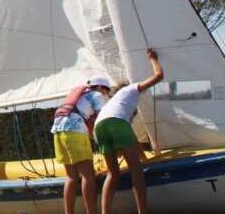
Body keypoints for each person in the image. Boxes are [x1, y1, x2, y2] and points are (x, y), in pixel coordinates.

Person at [95, 49, 164, 214]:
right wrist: (154, 59)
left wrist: (143, 156)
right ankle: (143, 211)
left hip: (99, 127)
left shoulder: (113, 105)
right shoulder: (131, 90)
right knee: (136, 170)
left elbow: (131, 140)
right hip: (115, 125)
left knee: (113, 173)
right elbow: (159, 76)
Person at [50, 75, 112, 214]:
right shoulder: (96, 94)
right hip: (75, 130)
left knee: (71, 176)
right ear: (101, 87)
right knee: (88, 174)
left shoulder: (80, 95)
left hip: (58, 131)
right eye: (106, 91)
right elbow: (103, 119)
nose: (105, 95)